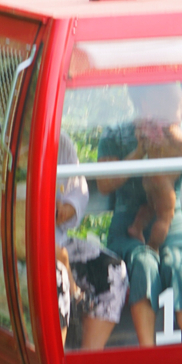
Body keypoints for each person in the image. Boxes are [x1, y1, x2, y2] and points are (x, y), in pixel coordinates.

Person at [98, 85, 182, 345]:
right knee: (145, 262)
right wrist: (139, 152)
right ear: (145, 101)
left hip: (171, 225)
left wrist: (179, 145)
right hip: (128, 226)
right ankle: (148, 351)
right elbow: (105, 184)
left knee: (176, 263)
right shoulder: (115, 134)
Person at [55, 133, 127, 350]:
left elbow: (75, 197)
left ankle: (87, 357)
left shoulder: (60, 143)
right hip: (16, 247)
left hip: (59, 241)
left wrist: (58, 209)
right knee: (58, 277)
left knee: (113, 271)